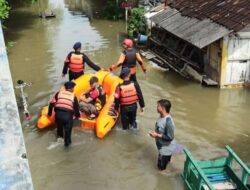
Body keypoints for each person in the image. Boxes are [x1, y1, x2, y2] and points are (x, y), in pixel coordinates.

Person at [48, 81, 80, 147]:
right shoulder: (73, 97)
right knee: (67, 138)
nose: (73, 89)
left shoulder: (58, 93)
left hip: (58, 115)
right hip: (67, 117)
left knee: (60, 134)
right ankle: (67, 150)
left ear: (65, 88)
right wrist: (77, 116)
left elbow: (51, 103)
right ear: (71, 89)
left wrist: (49, 113)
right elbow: (76, 108)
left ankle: (59, 142)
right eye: (73, 88)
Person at [149, 99, 176, 173]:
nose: (156, 107)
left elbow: (170, 137)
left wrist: (156, 135)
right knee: (166, 162)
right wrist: (155, 133)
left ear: (163, 108)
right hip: (163, 147)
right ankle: (168, 162)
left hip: (165, 149)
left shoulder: (168, 121)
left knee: (160, 169)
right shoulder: (161, 116)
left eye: (158, 106)